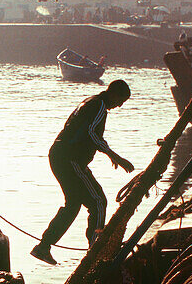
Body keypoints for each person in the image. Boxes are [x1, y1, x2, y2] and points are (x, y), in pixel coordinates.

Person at [30, 79, 134, 263]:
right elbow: (91, 133)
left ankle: (43, 247)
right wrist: (115, 156)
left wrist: (108, 154)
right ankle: (96, 251)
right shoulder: (99, 106)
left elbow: (87, 133)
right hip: (70, 159)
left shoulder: (91, 102)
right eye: (121, 101)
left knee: (73, 205)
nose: (119, 106)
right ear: (114, 94)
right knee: (98, 201)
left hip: (60, 156)